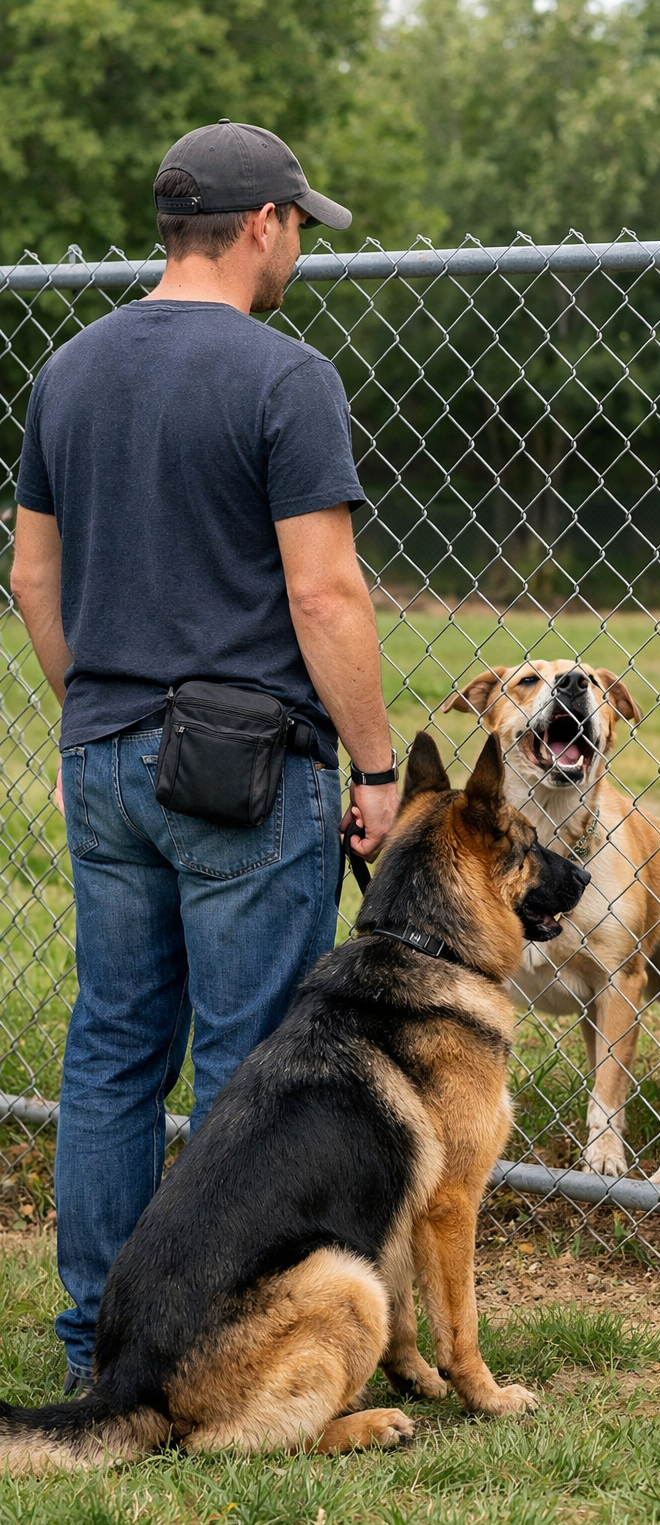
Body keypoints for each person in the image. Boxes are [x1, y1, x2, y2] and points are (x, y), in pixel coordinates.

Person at [10, 120, 399, 1393]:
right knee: (252, 1064)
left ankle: (97, 1347)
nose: (298, 251)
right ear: (260, 228)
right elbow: (326, 596)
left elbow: (32, 575)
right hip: (248, 773)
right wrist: (379, 766)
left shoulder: (69, 371)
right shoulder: (286, 378)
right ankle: (212, 1359)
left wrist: (97, 714)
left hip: (108, 752)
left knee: (115, 1049)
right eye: (298, 227)